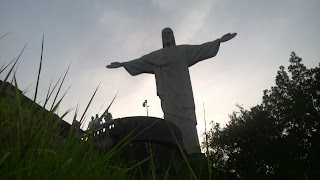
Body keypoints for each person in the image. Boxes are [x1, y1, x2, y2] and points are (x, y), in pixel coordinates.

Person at [107, 27, 236, 154]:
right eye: (164, 34)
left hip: (184, 95)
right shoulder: (156, 56)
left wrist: (219, 41)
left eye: (169, 33)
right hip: (169, 98)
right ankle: (177, 151)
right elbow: (141, 61)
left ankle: (193, 152)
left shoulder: (183, 50)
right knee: (171, 122)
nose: (167, 35)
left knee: (188, 122)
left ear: (173, 36)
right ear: (162, 38)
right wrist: (123, 64)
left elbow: (201, 48)